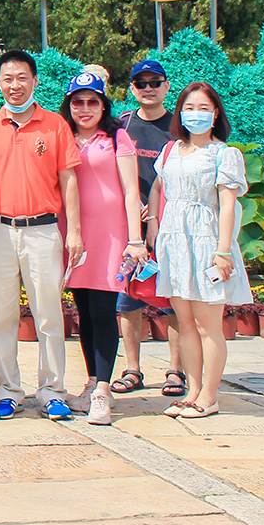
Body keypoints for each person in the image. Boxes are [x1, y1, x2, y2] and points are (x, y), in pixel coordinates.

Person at [0, 49, 82, 422]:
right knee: (1, 316)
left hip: (43, 231)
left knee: (48, 314)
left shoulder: (55, 125)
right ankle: (9, 391)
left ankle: (52, 390)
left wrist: (74, 231)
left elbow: (68, 179)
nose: (15, 85)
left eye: (22, 78)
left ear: (35, 81)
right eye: (8, 78)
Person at [154, 82, 251, 421]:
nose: (195, 114)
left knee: (208, 324)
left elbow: (227, 205)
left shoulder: (224, 154)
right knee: (185, 323)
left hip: (206, 241)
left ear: (216, 114)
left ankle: (210, 396)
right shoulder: (170, 151)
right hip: (175, 243)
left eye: (203, 108)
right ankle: (192, 392)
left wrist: (223, 251)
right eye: (189, 108)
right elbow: (160, 192)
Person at [61, 72, 145, 426]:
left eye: (92, 102)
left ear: (103, 105)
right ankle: (93, 380)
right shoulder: (63, 135)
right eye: (78, 102)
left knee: (103, 310)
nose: (85, 109)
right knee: (84, 310)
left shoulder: (116, 136)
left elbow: (131, 191)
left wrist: (135, 239)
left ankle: (102, 391)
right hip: (74, 236)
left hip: (110, 238)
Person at [114, 59, 184, 398]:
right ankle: (133, 369)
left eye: (155, 82)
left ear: (166, 87)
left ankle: (176, 370)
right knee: (127, 299)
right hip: (128, 228)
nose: (148, 89)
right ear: (132, 88)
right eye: (141, 83)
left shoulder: (178, 127)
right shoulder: (123, 125)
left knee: (173, 300)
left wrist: (157, 209)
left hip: (168, 226)